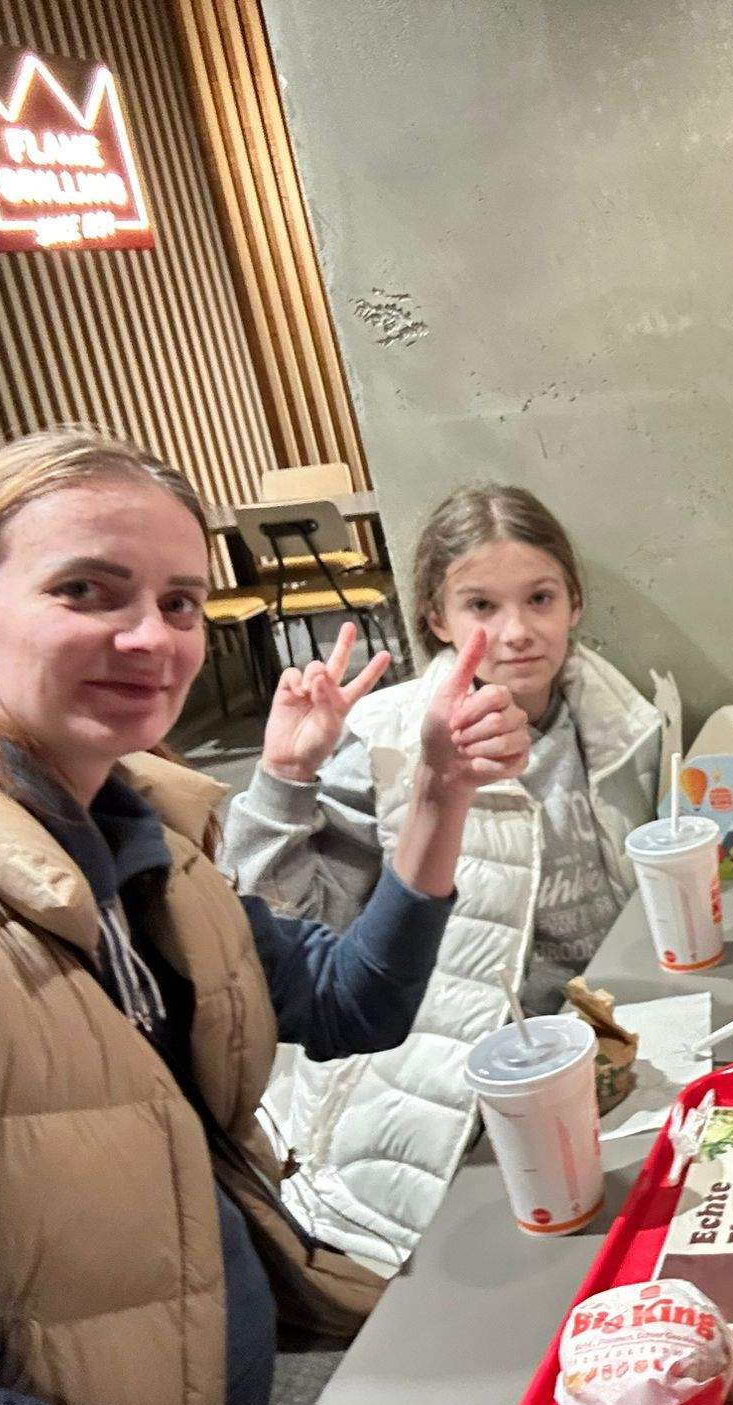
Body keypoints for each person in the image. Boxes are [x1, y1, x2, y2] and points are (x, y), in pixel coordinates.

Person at [0, 430, 529, 1405]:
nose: (151, 639)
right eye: (86, 591)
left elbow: (352, 1003)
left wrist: (440, 796)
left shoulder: (136, 842)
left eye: (179, 601)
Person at [222, 483, 663, 1270]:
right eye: (481, 607)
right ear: (436, 619)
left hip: (595, 1064)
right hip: (441, 1096)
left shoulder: (621, 719)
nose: (518, 632)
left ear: (575, 603)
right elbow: (282, 921)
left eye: (540, 598)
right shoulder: (387, 739)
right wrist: (284, 777)